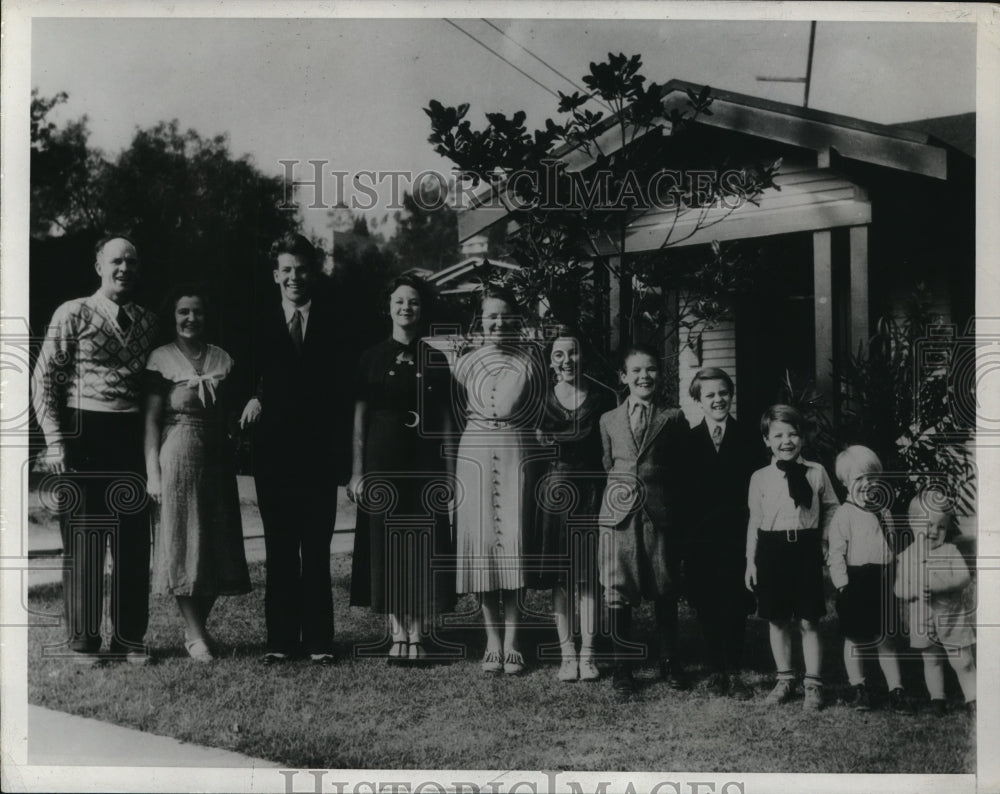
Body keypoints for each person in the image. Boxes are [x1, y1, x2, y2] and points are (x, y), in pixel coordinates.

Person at [31, 235, 159, 665]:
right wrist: (54, 440)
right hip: (83, 433)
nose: (125, 268)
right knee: (85, 540)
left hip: (130, 436)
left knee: (133, 540)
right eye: (116, 261)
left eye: (132, 262)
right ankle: (84, 642)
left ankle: (129, 638)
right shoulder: (73, 312)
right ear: (99, 266)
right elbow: (44, 379)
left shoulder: (147, 321)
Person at [239, 233, 350, 665]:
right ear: (275, 275)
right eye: (286, 269)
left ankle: (320, 641)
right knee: (280, 549)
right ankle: (281, 641)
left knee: (317, 549)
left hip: (319, 458)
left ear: (312, 272)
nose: (294, 277)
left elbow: (341, 388)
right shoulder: (257, 322)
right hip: (274, 459)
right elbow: (240, 374)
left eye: (301, 269)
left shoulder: (336, 321)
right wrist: (251, 395)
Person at [347, 275, 456, 666]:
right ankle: (397, 631)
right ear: (388, 307)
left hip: (425, 463)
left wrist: (450, 471)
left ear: (422, 309)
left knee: (423, 542)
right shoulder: (371, 358)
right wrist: (357, 471)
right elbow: (359, 418)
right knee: (388, 544)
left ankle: (419, 632)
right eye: (399, 302)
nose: (406, 308)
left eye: (413, 302)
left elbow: (445, 419)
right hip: (383, 460)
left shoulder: (437, 359)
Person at [144, 286, 251, 662]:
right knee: (183, 542)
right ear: (173, 317)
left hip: (217, 457)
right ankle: (195, 633)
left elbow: (232, 413)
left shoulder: (222, 358)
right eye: (183, 312)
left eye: (198, 312)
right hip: (178, 452)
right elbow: (152, 421)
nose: (191, 319)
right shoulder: (161, 358)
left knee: (214, 543)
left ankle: (196, 629)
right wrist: (152, 473)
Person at [454, 286, 544, 675]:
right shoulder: (464, 364)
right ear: (481, 322)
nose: (499, 323)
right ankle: (491, 639)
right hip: (474, 449)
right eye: (491, 316)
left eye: (506, 316)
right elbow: (452, 414)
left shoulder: (530, 362)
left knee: (512, 541)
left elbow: (543, 413)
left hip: (514, 450)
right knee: (483, 547)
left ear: (516, 321)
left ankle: (513, 640)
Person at [597, 344, 690, 696]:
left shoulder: (672, 417)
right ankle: (623, 667)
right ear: (624, 377)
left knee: (664, 587)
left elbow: (682, 469)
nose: (644, 376)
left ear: (660, 375)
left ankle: (670, 660)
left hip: (659, 513)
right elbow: (609, 464)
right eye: (636, 371)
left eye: (650, 369)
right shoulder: (608, 419)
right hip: (619, 517)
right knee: (618, 591)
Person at [529, 327, 615, 682]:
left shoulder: (602, 398)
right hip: (554, 495)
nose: (567, 361)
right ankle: (567, 654)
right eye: (560, 355)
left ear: (584, 357)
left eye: (573, 353)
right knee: (562, 580)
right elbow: (534, 452)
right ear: (551, 362)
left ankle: (589, 654)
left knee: (589, 578)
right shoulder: (542, 400)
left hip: (592, 493)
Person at [744, 404, 840, 711]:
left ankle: (813, 683)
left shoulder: (816, 472)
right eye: (778, 435)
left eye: (793, 434)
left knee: (809, 619)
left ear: (802, 438)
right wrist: (750, 561)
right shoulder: (759, 477)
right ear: (766, 440)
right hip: (771, 552)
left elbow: (832, 508)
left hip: (805, 550)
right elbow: (754, 521)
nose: (786, 441)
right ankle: (784, 679)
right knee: (777, 619)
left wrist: (825, 538)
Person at [682, 367, 759, 699]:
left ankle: (734, 669)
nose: (718, 400)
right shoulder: (688, 440)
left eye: (723, 393)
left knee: (736, 602)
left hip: (738, 535)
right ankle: (715, 668)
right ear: (699, 400)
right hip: (701, 539)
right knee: (708, 603)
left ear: (732, 395)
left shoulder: (749, 438)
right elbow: (682, 494)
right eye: (710, 394)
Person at [826, 445, 909, 713]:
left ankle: (896, 690)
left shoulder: (883, 512)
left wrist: (896, 578)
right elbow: (835, 554)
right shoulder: (844, 515)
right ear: (844, 482)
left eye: (873, 477)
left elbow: (891, 547)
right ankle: (859, 688)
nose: (867, 484)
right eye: (859, 478)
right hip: (856, 582)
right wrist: (843, 585)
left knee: (886, 638)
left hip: (882, 580)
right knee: (855, 639)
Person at [895, 493, 976, 716]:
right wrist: (912, 591)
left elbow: (964, 577)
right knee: (931, 660)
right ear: (913, 524)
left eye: (941, 527)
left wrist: (943, 586)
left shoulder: (950, 551)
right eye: (928, 525)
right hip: (922, 616)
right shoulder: (906, 556)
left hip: (951, 616)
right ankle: (937, 699)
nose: (934, 531)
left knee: (963, 659)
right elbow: (899, 588)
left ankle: (973, 698)